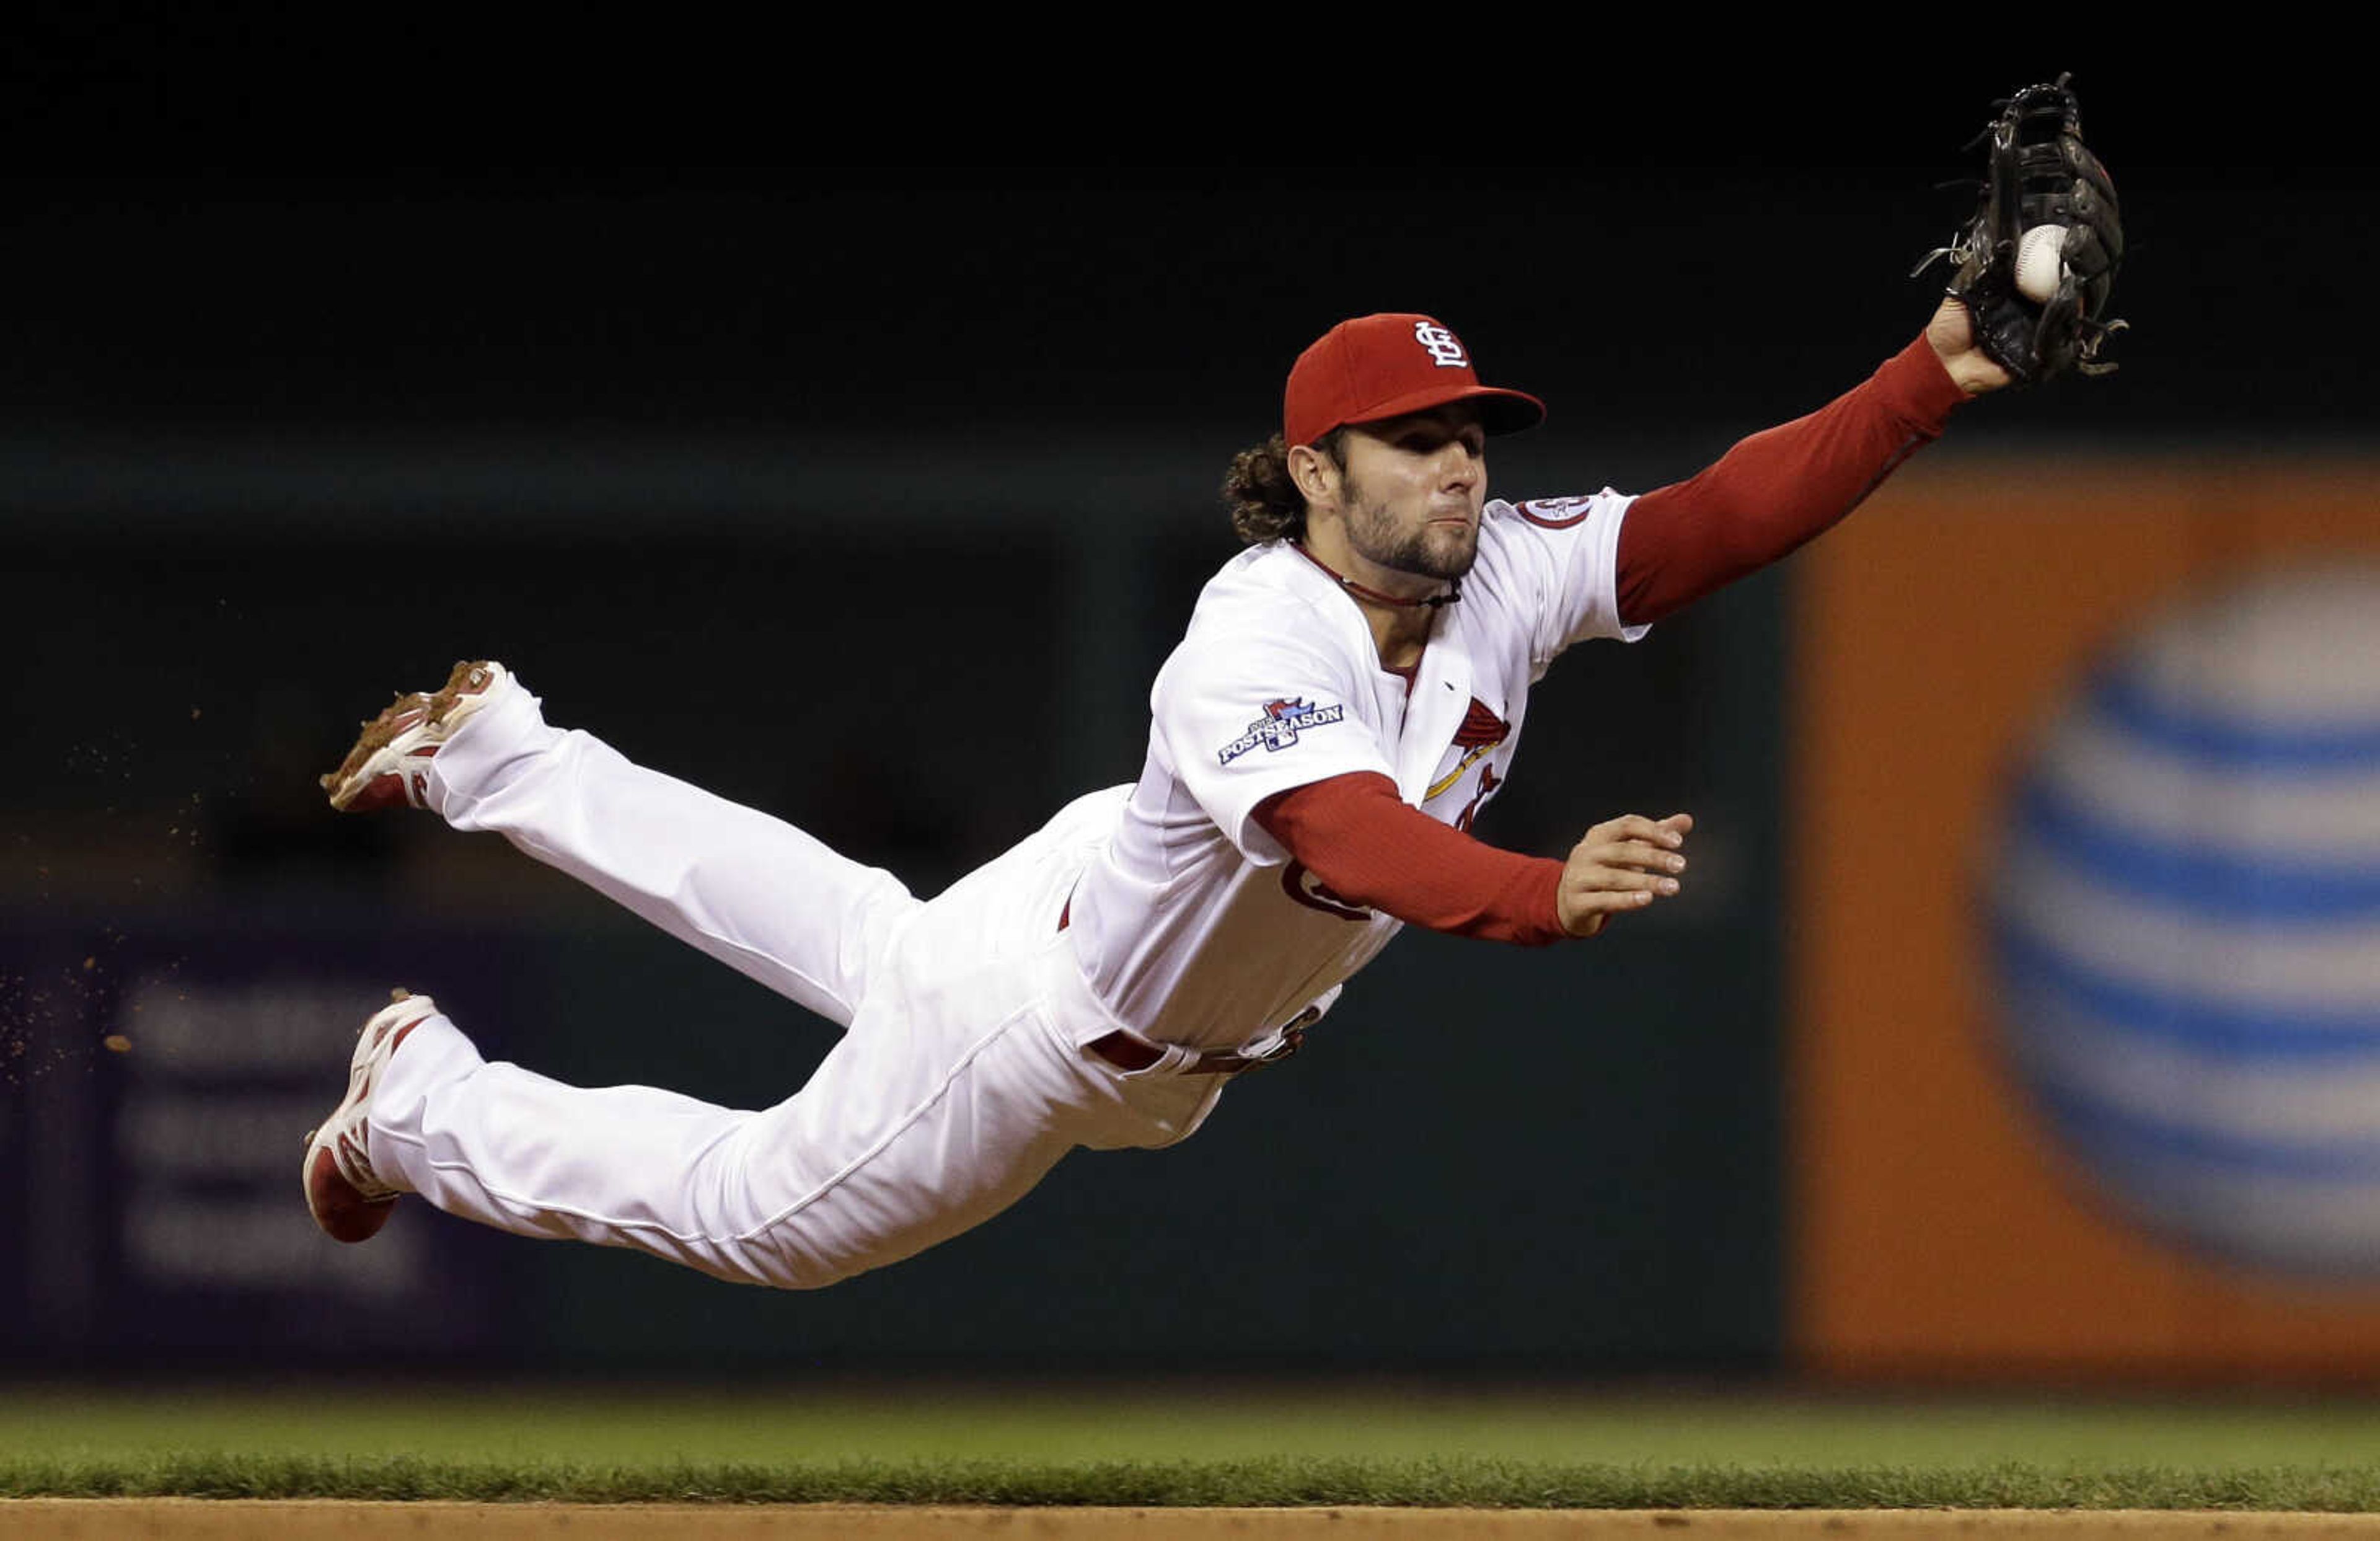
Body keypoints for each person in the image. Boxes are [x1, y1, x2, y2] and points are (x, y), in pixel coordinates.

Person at [302, 298, 2007, 1289]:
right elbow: (1348, 837)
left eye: (1474, 429)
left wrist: (1932, 371)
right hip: (1061, 1019)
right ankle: (415, 1104)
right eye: (1418, 439)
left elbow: (1723, 516)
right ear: (1316, 472)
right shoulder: (1253, 630)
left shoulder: (1503, 571)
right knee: (766, 1218)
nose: (1463, 462)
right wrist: (1534, 895)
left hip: (1121, 920)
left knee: (866, 936)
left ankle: (496, 752)